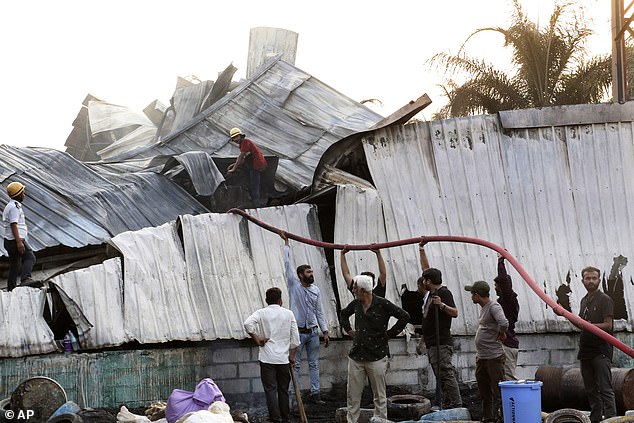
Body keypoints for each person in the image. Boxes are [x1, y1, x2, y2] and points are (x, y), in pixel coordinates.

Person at [341, 274, 410, 423]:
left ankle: (380, 420)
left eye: (355, 288)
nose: (353, 290)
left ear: (364, 290)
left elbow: (404, 316)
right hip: (357, 357)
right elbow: (344, 314)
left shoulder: (382, 304)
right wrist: (348, 330)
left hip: (377, 356)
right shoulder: (356, 304)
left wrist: (391, 333)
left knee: (379, 395)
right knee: (352, 395)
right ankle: (351, 421)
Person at [280, 232, 330, 404]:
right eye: (308, 272)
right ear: (301, 275)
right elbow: (287, 265)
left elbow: (319, 311)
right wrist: (286, 244)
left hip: (313, 332)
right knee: (296, 365)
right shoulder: (294, 285)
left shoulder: (315, 290)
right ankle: (296, 397)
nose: (311, 274)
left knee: (314, 364)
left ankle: (316, 394)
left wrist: (325, 330)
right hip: (298, 333)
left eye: (312, 271)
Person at [415, 242, 462, 409]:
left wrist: (442, 305)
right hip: (432, 341)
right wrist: (421, 249)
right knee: (440, 374)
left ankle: (456, 404)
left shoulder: (443, 293)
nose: (423, 281)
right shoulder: (431, 293)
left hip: (442, 342)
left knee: (446, 373)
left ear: (429, 282)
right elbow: (426, 268)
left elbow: (455, 312)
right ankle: (448, 402)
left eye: (425, 280)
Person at [243, 287, 300, 423]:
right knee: (283, 390)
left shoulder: (261, 313)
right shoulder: (288, 314)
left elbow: (247, 324)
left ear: (266, 300)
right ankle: (285, 417)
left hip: (267, 359)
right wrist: (292, 356)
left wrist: (257, 339)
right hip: (283, 359)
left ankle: (275, 418)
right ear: (280, 300)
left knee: (270, 390)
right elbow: (295, 339)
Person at [576, 266, 616, 423]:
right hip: (585, 351)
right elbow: (580, 324)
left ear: (599, 280)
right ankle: (596, 420)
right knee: (591, 390)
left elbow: (608, 325)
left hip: (601, 351)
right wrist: (563, 314)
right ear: (582, 281)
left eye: (594, 278)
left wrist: (588, 326)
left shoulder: (605, 299)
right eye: (588, 278)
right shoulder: (584, 300)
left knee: (605, 389)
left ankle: (612, 420)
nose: (591, 281)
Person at [465, 280, 508, 423]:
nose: (471, 297)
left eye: (472, 294)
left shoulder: (493, 306)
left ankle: (504, 416)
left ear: (477, 295)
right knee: (484, 391)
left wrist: (502, 333)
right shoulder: (484, 308)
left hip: (493, 357)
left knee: (498, 390)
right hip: (482, 357)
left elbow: (504, 323)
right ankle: (488, 417)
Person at [2, 182, 36, 291]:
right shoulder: (14, 207)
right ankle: (25, 279)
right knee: (30, 257)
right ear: (19, 194)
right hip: (14, 241)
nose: (24, 194)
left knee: (15, 266)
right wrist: (19, 242)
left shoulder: (11, 205)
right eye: (23, 192)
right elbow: (13, 224)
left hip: (10, 241)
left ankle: (11, 288)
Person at [494, 252, 520, 380]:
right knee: (501, 377)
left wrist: (500, 262)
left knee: (509, 377)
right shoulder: (502, 302)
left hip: (508, 344)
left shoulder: (509, 300)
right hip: (505, 344)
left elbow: (504, 282)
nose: (496, 288)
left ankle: (515, 399)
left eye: (497, 286)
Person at [227, 127, 268, 206]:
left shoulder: (246, 142)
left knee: (254, 185)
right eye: (233, 138)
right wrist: (233, 165)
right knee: (244, 173)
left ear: (240, 136)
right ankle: (247, 190)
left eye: (236, 137)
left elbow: (241, 157)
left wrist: (233, 169)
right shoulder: (242, 144)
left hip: (256, 165)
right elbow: (244, 158)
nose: (235, 139)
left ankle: (256, 203)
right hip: (251, 164)